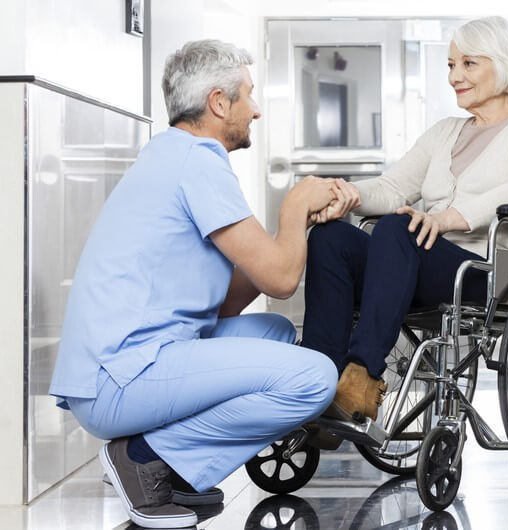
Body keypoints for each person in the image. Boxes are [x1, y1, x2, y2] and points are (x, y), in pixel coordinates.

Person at [48, 40, 358, 529]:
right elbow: (280, 278)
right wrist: (296, 206)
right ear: (219, 102)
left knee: (273, 334)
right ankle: (145, 459)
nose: (255, 111)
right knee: (312, 377)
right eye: (249, 97)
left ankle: (164, 467)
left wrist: (299, 229)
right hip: (120, 380)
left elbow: (236, 295)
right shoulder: (199, 161)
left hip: (122, 366)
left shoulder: (172, 156)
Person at [301, 16, 508, 424]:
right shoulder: (445, 131)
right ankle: (315, 383)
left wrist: (447, 218)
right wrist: (348, 194)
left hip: (488, 273)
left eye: (468, 64)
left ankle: (360, 377)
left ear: (503, 63)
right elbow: (393, 187)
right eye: (450, 65)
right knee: (330, 237)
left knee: (397, 227)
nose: (454, 77)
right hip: (419, 265)